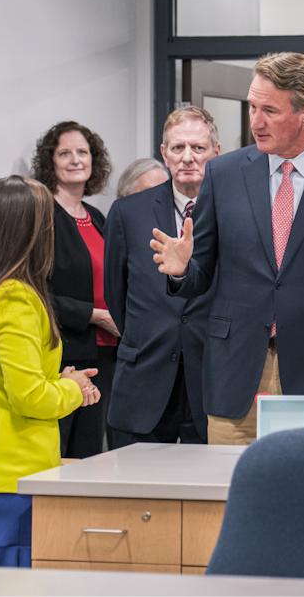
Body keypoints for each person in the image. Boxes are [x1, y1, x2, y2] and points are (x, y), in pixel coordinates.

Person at [151, 52, 304, 445]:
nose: (255, 122)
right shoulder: (224, 172)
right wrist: (182, 269)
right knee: (230, 496)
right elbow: (203, 274)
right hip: (236, 374)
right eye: (252, 107)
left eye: (270, 110)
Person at [0, 175, 100, 567]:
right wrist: (73, 390)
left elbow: (3, 382)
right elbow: (29, 398)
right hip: (7, 475)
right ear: (31, 231)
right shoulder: (16, 297)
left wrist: (56, 381)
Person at [105, 107, 219, 447]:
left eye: (198, 148)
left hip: (210, 378)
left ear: (216, 152)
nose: (187, 157)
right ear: (164, 153)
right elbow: (116, 294)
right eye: (178, 148)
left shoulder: (234, 210)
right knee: (137, 496)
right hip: (144, 376)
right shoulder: (128, 212)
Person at [31, 121, 118, 459]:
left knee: (91, 452)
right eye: (64, 153)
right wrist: (94, 316)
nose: (75, 159)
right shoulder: (40, 215)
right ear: (49, 162)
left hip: (105, 352)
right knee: (63, 454)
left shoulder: (96, 216)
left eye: (82, 152)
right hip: (65, 352)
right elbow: (33, 291)